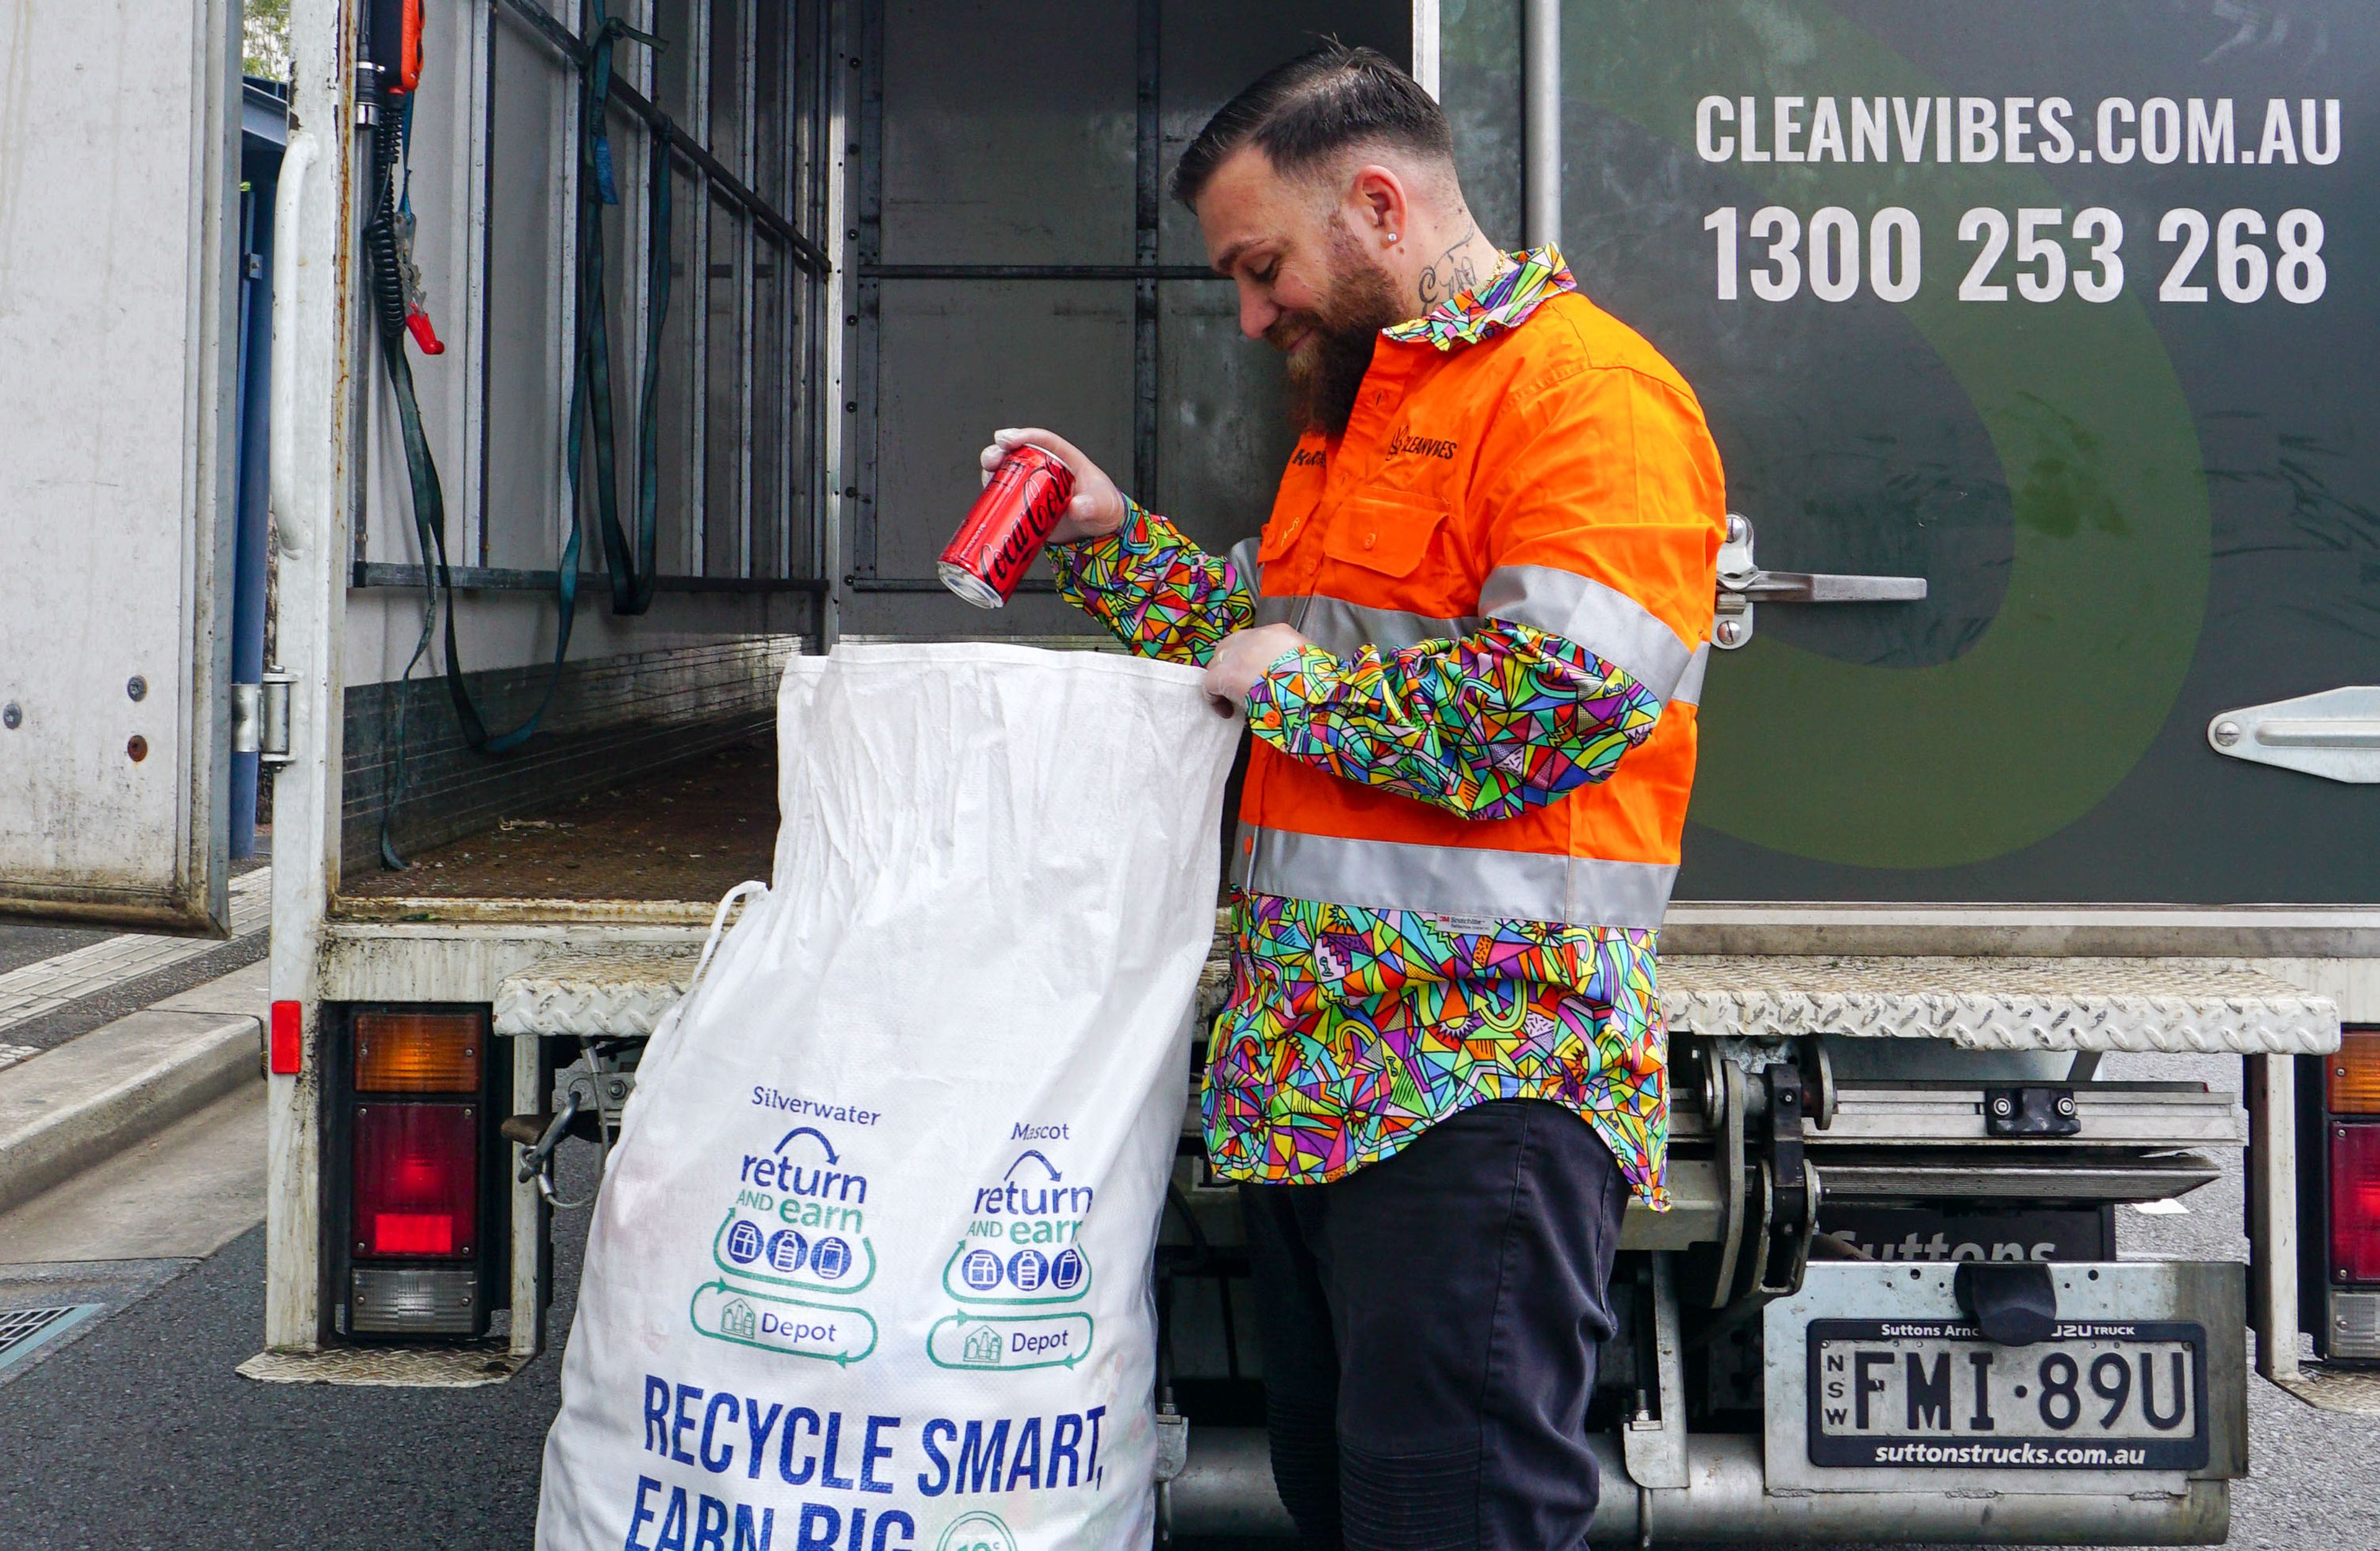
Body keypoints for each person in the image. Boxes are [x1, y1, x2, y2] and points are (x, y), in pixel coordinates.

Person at [979, 43, 1724, 1551]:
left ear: (1380, 205)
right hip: (1320, 1089)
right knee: (1344, 1509)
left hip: (1473, 1091)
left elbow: (1552, 712)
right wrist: (1111, 539)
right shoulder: (1366, 417)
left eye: (1262, 270)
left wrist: (1294, 689)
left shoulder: (1591, 399)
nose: (1254, 317)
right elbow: (1268, 651)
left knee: (1453, 1521)